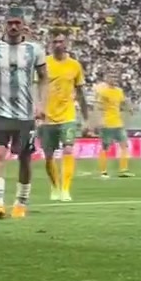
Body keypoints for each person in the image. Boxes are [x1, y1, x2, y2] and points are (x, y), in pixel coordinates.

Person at [0, 8, 48, 219]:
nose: (13, 26)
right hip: (0, 112)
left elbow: (44, 77)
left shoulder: (34, 50)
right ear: (4, 25)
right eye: (10, 23)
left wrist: (41, 104)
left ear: (23, 25)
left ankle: (20, 203)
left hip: (25, 114)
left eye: (17, 23)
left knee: (24, 158)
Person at [41, 33, 88, 202]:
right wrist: (36, 108)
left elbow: (80, 92)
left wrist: (86, 118)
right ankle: (55, 186)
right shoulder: (43, 63)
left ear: (66, 43)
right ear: (50, 43)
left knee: (68, 149)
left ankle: (65, 190)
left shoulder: (75, 65)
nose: (58, 44)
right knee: (48, 155)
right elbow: (36, 87)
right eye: (55, 41)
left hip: (68, 115)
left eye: (61, 41)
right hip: (47, 117)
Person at [95, 74, 133, 178]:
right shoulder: (103, 92)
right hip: (107, 123)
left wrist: (129, 108)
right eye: (112, 78)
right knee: (105, 147)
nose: (114, 80)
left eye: (115, 78)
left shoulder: (119, 91)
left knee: (124, 145)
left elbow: (123, 102)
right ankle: (103, 171)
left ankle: (123, 170)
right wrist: (100, 120)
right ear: (107, 80)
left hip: (118, 123)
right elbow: (98, 106)